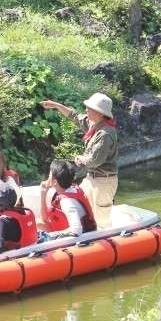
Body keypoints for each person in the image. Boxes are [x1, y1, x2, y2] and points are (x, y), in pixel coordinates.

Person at [40, 93, 118, 228]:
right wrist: (56, 105)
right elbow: (74, 116)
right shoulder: (94, 124)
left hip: (103, 181)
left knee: (102, 218)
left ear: (99, 113)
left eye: (89, 108)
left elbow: (95, 161)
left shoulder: (105, 134)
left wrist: (80, 158)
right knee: (82, 204)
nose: (86, 110)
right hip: (91, 178)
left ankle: (105, 240)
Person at [40, 160, 97, 239]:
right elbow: (45, 219)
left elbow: (76, 230)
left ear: (55, 182)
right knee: (38, 224)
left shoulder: (67, 202)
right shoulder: (68, 189)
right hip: (65, 230)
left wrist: (51, 236)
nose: (47, 178)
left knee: (40, 234)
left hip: (80, 241)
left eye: (49, 175)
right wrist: (43, 194)